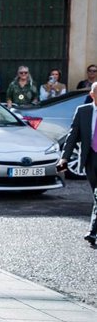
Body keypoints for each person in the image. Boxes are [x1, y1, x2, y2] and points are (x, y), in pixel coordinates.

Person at [58, 82, 97, 246]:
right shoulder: (83, 111)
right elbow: (72, 136)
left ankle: (92, 232)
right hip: (90, 159)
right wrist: (64, 158)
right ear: (92, 94)